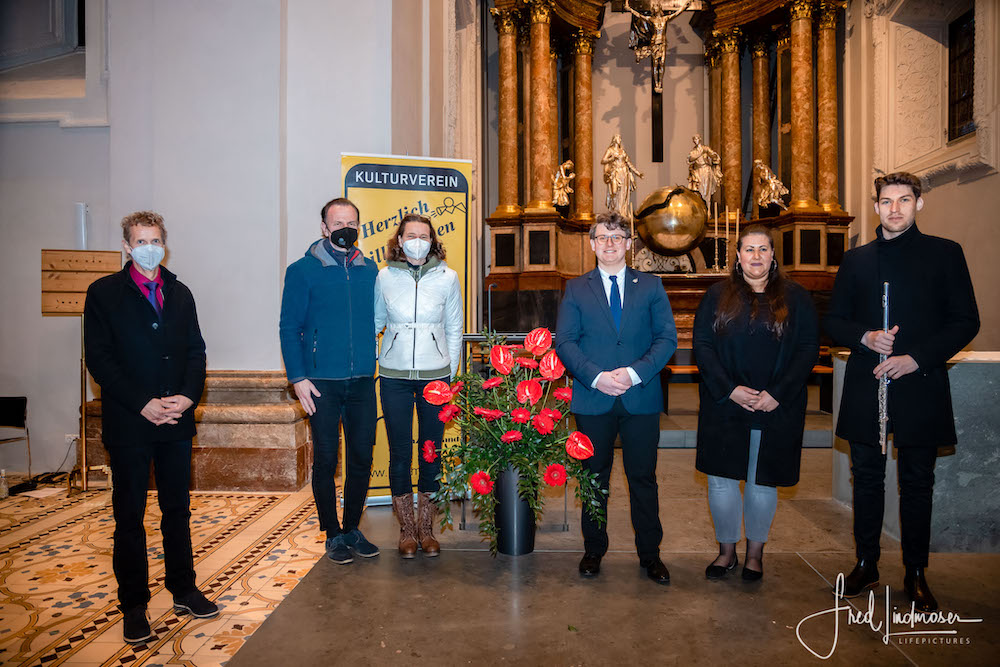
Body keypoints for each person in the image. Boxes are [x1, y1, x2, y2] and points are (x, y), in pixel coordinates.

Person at [824, 172, 979, 612]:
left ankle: (915, 572)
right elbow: (833, 321)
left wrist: (916, 358)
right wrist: (866, 337)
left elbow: (966, 321)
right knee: (867, 479)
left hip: (921, 382)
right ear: (876, 206)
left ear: (918, 204)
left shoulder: (946, 254)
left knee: (917, 482)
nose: (895, 209)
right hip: (866, 382)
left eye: (904, 200)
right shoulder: (856, 260)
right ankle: (867, 562)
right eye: (887, 201)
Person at [84, 211, 217, 644]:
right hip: (131, 423)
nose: (149, 247)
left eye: (155, 240)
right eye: (141, 240)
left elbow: (196, 351)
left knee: (177, 511)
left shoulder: (180, 293)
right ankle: (135, 606)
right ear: (126, 245)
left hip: (176, 421)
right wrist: (143, 404)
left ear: (164, 243)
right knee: (129, 517)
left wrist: (187, 396)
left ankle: (183, 588)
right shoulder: (103, 293)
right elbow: (100, 359)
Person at [555, 212, 678, 584]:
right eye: (603, 237)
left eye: (617, 237)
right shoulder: (576, 288)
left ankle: (650, 554)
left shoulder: (652, 286)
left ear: (629, 244)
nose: (610, 243)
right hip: (593, 399)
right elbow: (565, 342)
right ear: (592, 244)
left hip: (640, 396)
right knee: (594, 478)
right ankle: (593, 549)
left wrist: (633, 373)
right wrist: (596, 377)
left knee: (643, 478)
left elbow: (666, 339)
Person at [693, 225, 818, 581]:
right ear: (737, 256)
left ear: (773, 254)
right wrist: (729, 389)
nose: (756, 257)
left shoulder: (797, 297)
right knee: (722, 481)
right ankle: (726, 551)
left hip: (776, 403)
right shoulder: (716, 295)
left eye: (763, 249)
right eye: (749, 250)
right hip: (725, 401)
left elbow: (808, 348)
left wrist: (778, 393)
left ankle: (755, 554)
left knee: (762, 480)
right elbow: (702, 345)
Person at [279, 197, 380, 565]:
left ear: (359, 225)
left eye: (351, 222)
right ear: (324, 227)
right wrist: (298, 377)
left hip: (362, 381)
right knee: (326, 457)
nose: (344, 229)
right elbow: (289, 327)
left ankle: (352, 526)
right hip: (320, 381)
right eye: (337, 223)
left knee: (361, 455)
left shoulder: (371, 271)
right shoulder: (302, 270)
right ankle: (332, 532)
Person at [374, 213, 463, 558]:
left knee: (431, 450)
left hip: (435, 375)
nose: (417, 240)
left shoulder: (448, 277)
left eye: (424, 236)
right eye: (411, 235)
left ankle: (427, 529)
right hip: (393, 375)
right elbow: (376, 322)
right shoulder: (384, 277)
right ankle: (406, 530)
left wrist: (451, 376)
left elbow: (454, 327)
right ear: (399, 240)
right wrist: (373, 363)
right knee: (399, 452)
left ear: (432, 241)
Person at [601, 134, 644, 221]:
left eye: (620, 138)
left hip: (624, 173)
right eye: (618, 137)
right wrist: (612, 158)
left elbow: (629, 164)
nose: (619, 139)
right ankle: (614, 211)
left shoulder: (622, 151)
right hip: (615, 173)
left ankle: (622, 212)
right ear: (614, 139)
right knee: (614, 192)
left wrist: (638, 173)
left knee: (623, 194)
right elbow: (603, 160)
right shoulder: (610, 150)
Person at [687, 134, 723, 205]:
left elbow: (714, 156)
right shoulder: (693, 151)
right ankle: (701, 208)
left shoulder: (705, 149)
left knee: (706, 190)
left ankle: (707, 209)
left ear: (700, 139)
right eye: (694, 139)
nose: (695, 141)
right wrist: (699, 153)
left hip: (706, 170)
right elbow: (690, 159)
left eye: (697, 139)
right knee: (698, 190)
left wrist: (714, 159)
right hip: (697, 172)